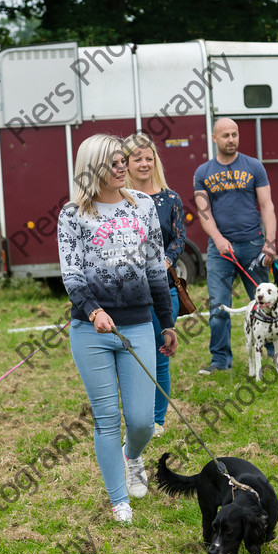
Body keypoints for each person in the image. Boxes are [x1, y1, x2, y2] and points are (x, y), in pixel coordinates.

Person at [57, 134, 178, 524]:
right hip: (91, 331)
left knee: (142, 420)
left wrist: (167, 323)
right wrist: (93, 312)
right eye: (113, 162)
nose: (122, 166)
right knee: (107, 417)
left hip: (140, 324)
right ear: (92, 169)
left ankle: (132, 456)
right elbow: (72, 274)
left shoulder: (142, 206)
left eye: (122, 159)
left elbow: (156, 269)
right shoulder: (72, 214)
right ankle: (118, 500)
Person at [193, 117, 277, 374]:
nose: (231, 139)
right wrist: (218, 239)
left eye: (235, 134)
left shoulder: (254, 166)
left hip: (253, 245)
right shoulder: (202, 172)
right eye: (225, 135)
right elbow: (203, 211)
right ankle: (220, 361)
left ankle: (274, 354)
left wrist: (270, 244)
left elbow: (267, 206)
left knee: (266, 302)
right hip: (220, 250)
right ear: (214, 138)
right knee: (218, 305)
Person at [124, 132, 185, 436]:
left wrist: (166, 262)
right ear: (126, 163)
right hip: (126, 294)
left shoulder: (170, 198)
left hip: (162, 290)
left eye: (149, 158)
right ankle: (136, 416)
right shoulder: (118, 200)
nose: (144, 163)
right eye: (138, 158)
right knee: (132, 356)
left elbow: (179, 238)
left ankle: (157, 420)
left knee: (159, 355)